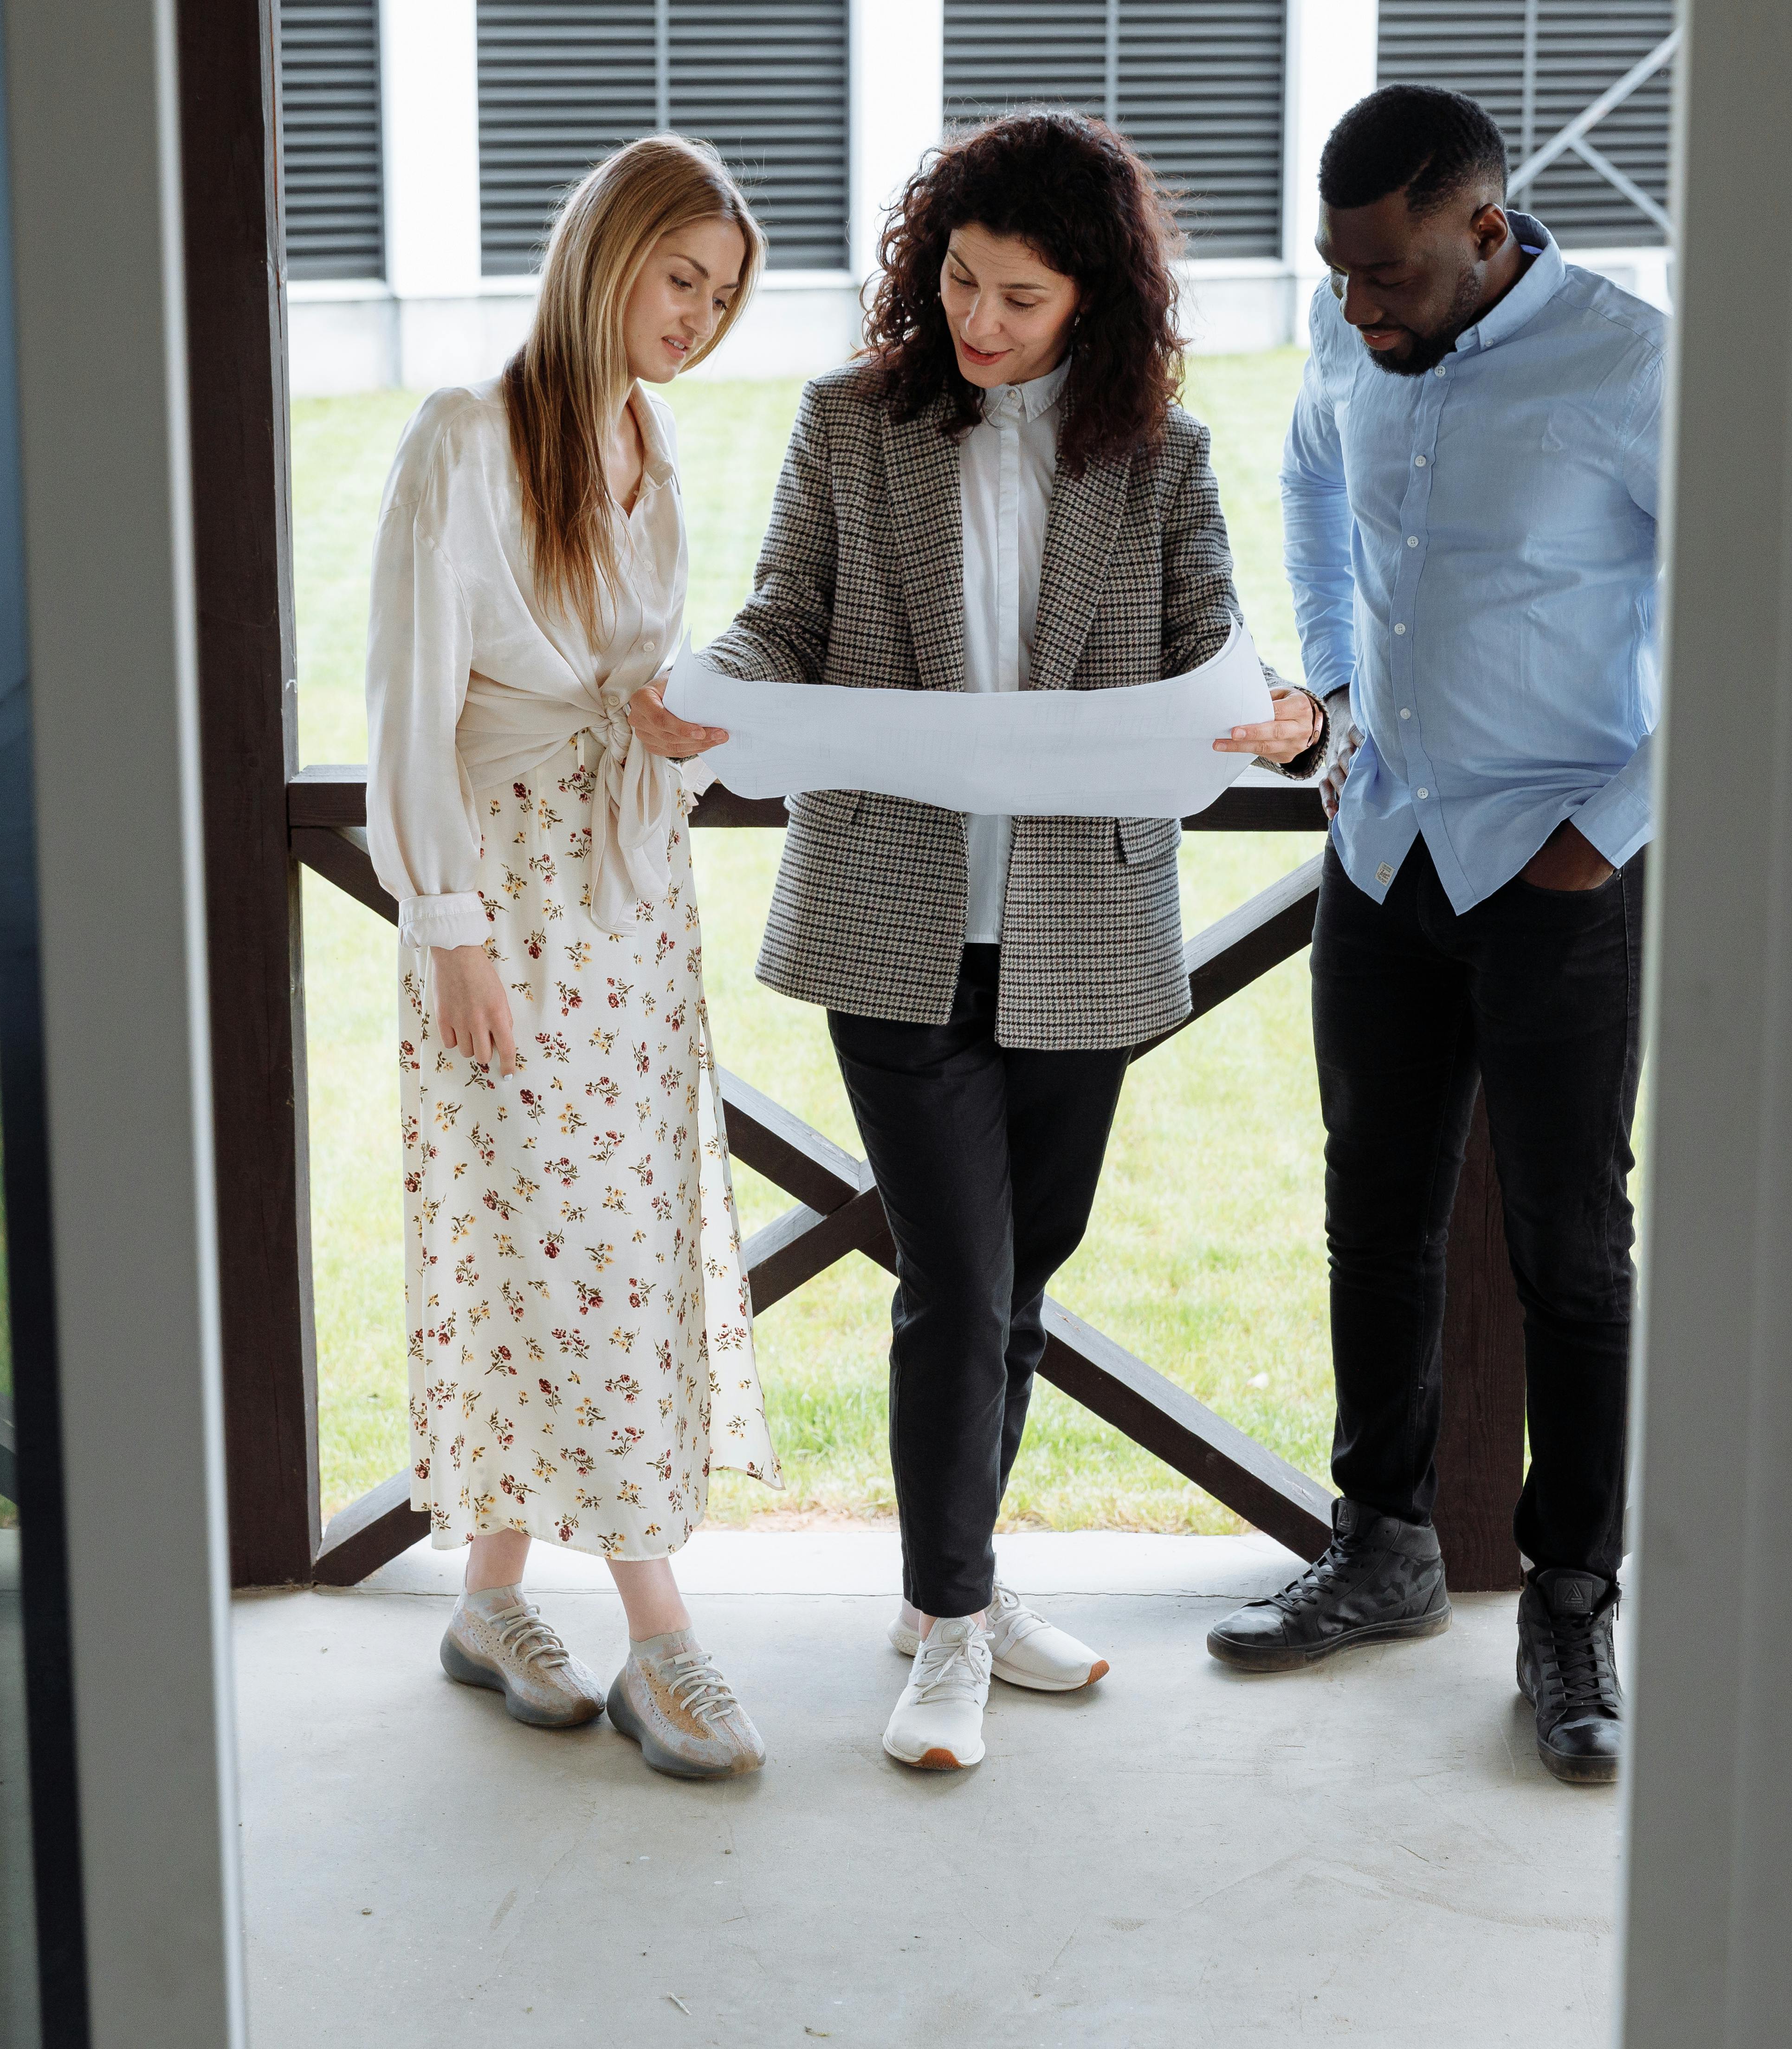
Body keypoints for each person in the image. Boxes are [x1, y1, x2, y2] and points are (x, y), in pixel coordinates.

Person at [699, 110, 1330, 1773]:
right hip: (892, 916)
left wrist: (1282, 717)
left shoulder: (1162, 458)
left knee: (1020, 1279)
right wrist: (718, 690)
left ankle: (943, 1597)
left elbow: (1215, 646)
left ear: (1094, 302)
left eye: (1020, 298)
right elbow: (787, 607)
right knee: (956, 1284)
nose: (978, 323)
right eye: (960, 282)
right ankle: (955, 1628)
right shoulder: (854, 425)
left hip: (1081, 929)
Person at [1201, 84, 1664, 1788]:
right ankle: (1385, 1550)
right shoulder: (1356, 340)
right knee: (1373, 1216)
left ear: (1486, 230)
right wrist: (1326, 694)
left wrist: (1600, 831)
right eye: (1338, 275)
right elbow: (1309, 483)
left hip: (1561, 879)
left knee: (1571, 1253)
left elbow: (1748, 599)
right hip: (1385, 850)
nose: (1357, 308)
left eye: (1389, 274)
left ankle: (1569, 1603)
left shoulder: (1632, 367)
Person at [363, 136, 779, 1782]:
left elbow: (628, 682)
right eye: (681, 278)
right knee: (546, 1229)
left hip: (631, 898)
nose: (698, 317)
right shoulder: (466, 440)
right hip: (505, 901)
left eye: (724, 295)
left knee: (602, 1236)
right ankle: (660, 1637)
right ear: (604, 255)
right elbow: (408, 707)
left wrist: (672, 726)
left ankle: (487, 1598)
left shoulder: (647, 443)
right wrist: (448, 925)